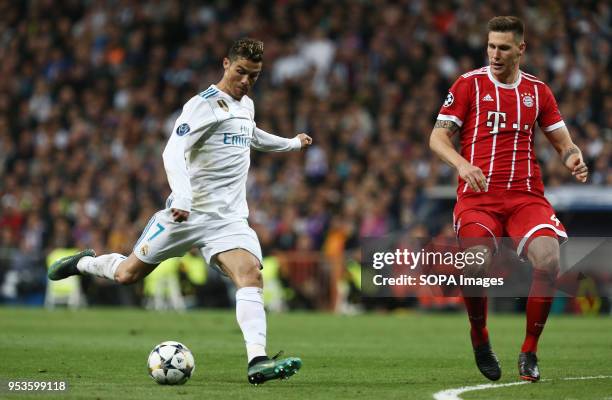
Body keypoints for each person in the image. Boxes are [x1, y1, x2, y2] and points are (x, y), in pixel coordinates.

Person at [48, 38, 312, 385]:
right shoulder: (201, 106)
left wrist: (290, 143)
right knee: (128, 274)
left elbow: (251, 135)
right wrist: (183, 197)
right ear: (225, 64)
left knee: (250, 274)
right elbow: (172, 152)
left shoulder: (245, 104)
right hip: (186, 215)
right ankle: (83, 262)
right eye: (241, 72)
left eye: (254, 76)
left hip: (228, 220)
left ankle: (257, 361)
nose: (247, 81)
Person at [429, 16, 588, 382]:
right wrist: (462, 164)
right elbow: (437, 138)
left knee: (548, 258)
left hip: (525, 197)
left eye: (503, 47)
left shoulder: (538, 91)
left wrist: (574, 158)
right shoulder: (468, 85)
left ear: (521, 49)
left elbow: (565, 144)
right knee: (473, 263)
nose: (495, 54)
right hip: (478, 197)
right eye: (491, 46)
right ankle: (480, 336)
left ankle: (529, 350)